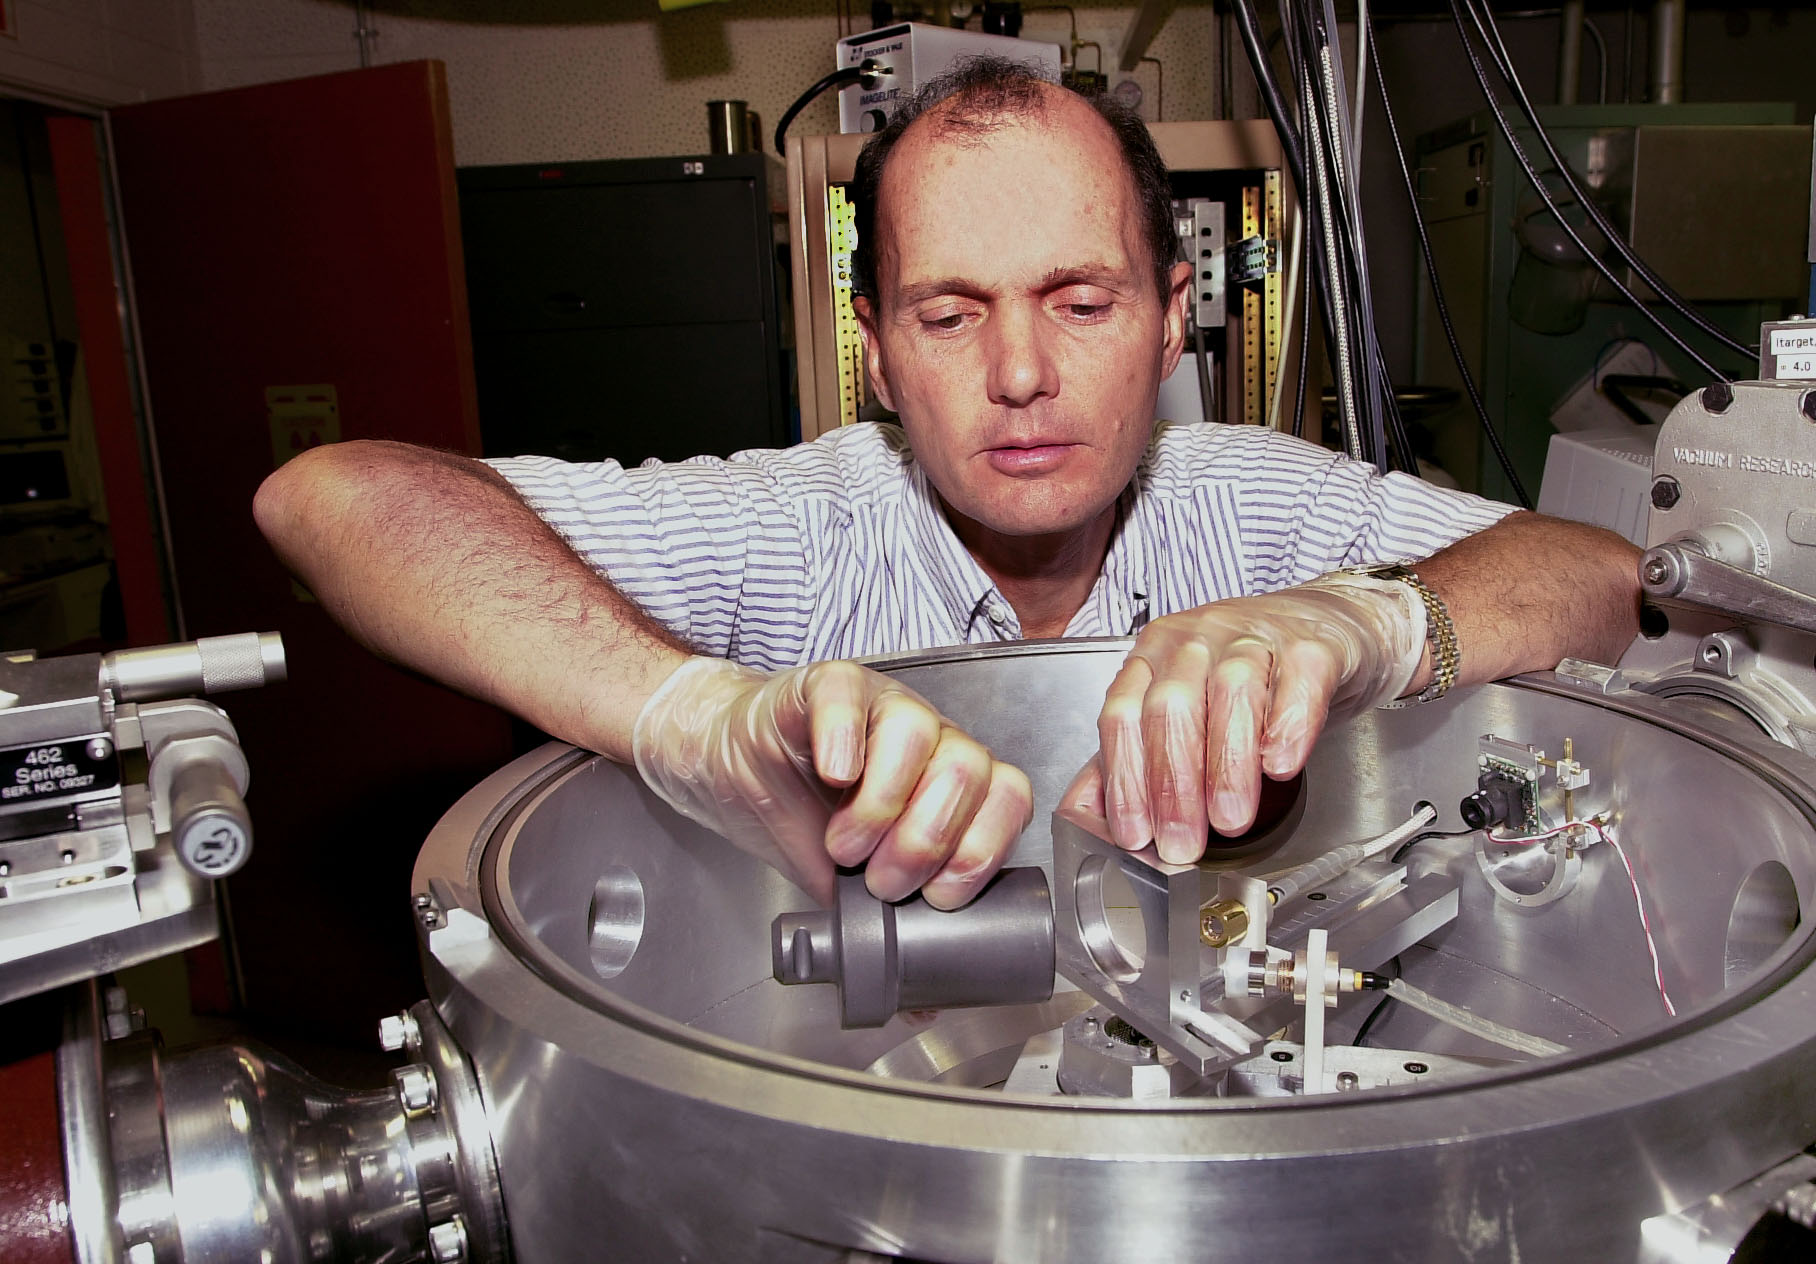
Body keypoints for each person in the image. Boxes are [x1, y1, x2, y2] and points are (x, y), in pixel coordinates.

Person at [254, 59, 1639, 915]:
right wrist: (691, 713)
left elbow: (1602, 577)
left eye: (1080, 302)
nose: (1021, 373)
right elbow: (330, 501)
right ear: (877, 357)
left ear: (1173, 318)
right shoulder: (794, 528)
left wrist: (1373, 624)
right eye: (950, 314)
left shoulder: (1257, 498)